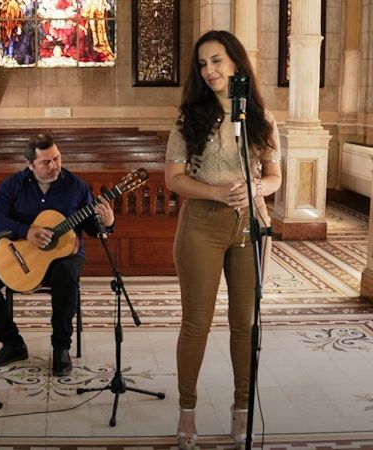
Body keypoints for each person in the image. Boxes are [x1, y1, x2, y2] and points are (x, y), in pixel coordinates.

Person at [164, 30, 281, 450]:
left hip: (250, 225)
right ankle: (187, 411)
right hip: (201, 225)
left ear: (235, 63)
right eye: (202, 64)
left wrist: (256, 189)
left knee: (243, 324)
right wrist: (216, 191)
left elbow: (274, 174)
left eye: (216, 61)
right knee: (197, 322)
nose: (209, 70)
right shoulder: (189, 119)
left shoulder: (258, 117)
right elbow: (174, 178)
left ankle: (242, 410)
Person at [0, 134, 115, 377]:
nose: (54, 166)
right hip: (21, 252)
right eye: (46, 162)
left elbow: (92, 227)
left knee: (65, 274)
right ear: (30, 165)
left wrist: (107, 223)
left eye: (57, 159)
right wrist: (27, 231)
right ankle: (12, 343)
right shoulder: (13, 184)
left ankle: (61, 348)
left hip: (65, 255)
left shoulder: (76, 186)